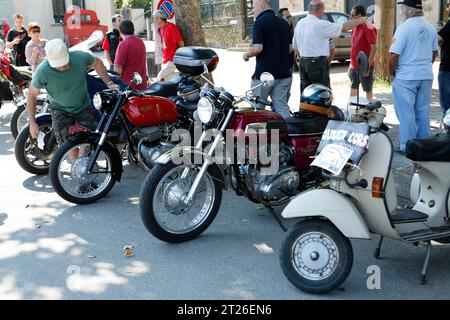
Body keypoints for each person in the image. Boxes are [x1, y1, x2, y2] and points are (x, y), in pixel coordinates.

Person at [27, 39, 119, 146]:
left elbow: (97, 63)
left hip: (83, 107)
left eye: (64, 61)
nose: (63, 66)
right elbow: (31, 95)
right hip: (60, 110)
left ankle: (84, 161)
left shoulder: (80, 57)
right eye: (58, 64)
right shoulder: (43, 71)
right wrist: (32, 123)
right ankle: (76, 160)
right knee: (67, 145)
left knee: (87, 142)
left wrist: (109, 83)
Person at [389, 0, 439, 153]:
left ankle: (407, 145)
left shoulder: (403, 28)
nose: (401, 11)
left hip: (406, 76)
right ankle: (424, 144)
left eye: (403, 8)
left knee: (406, 113)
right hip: (425, 75)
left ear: (408, 11)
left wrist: (391, 74)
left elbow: (393, 56)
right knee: (422, 111)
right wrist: (424, 66)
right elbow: (434, 52)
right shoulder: (430, 27)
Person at [293, 0, 366, 94]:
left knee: (306, 95)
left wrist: (303, 59)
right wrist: (360, 20)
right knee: (323, 94)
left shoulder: (300, 23)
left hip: (303, 63)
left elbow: (295, 47)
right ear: (320, 10)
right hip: (317, 63)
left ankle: (305, 109)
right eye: (323, 11)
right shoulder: (320, 24)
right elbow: (344, 27)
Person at [348, 5, 378, 101]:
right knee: (353, 87)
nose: (350, 17)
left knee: (367, 89)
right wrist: (351, 63)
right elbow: (354, 46)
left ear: (359, 16)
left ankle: (370, 109)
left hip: (365, 65)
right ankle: (352, 108)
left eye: (352, 15)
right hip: (354, 65)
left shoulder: (368, 27)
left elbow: (374, 47)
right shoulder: (355, 26)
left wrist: (368, 65)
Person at [114, 20, 148, 91]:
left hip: (128, 86)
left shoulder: (123, 44)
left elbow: (118, 68)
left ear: (120, 31)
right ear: (133, 30)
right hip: (142, 84)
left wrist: (114, 83)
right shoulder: (141, 42)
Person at [152, 10, 184, 81]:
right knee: (165, 79)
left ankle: (183, 75)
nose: (153, 20)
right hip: (165, 59)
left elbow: (180, 42)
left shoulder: (172, 27)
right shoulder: (160, 29)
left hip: (172, 59)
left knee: (159, 78)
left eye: (154, 18)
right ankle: (183, 75)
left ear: (159, 19)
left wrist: (182, 57)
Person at [278, 7, 295, 103]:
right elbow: (289, 49)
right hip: (283, 66)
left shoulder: (290, 30)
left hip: (289, 65)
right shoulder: (281, 31)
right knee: (283, 94)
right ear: (281, 18)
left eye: (290, 17)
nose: (290, 19)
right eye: (287, 17)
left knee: (287, 93)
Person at [438, 0, 450, 115]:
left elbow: (438, 39)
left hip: (447, 68)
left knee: (446, 104)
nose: (447, 9)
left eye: (448, 5)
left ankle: (447, 131)